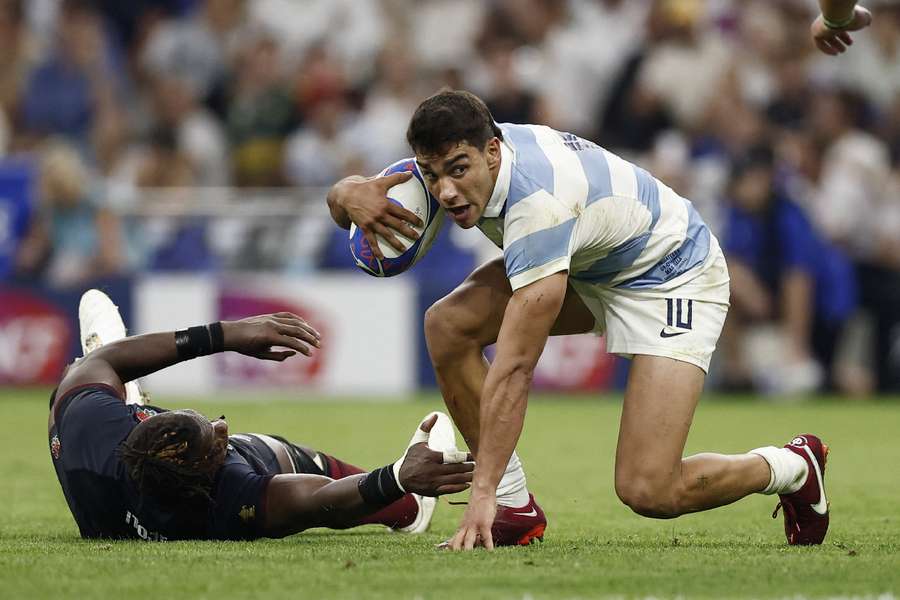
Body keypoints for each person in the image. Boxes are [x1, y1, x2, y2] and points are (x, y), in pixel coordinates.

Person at [326, 90, 830, 550]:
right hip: (593, 261)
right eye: (432, 175)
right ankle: (516, 508)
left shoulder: (539, 203)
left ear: (494, 153)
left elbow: (516, 366)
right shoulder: (451, 155)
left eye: (458, 171)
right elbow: (354, 195)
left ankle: (791, 467)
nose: (447, 192)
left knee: (649, 489)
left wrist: (481, 491)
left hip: (672, 273)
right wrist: (346, 194)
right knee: (447, 324)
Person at [49, 289, 473, 541]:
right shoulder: (227, 502)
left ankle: (129, 389)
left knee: (82, 382)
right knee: (278, 452)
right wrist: (397, 476)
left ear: (137, 425)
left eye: (205, 421)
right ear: (207, 478)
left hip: (109, 486)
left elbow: (96, 365)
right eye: (216, 442)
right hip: (170, 482)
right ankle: (409, 509)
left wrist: (225, 334)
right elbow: (321, 502)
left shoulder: (90, 429)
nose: (222, 425)